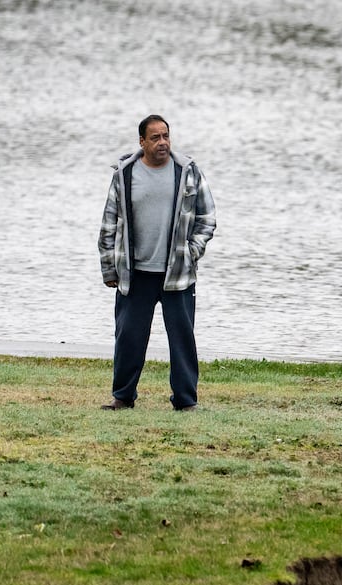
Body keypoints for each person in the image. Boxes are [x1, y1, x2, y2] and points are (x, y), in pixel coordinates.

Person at [97, 114, 216, 411]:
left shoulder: (187, 171)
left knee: (183, 340)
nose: (162, 142)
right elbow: (109, 224)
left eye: (166, 136)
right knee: (128, 338)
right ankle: (122, 397)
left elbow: (207, 218)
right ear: (142, 142)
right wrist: (109, 268)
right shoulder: (124, 174)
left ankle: (186, 401)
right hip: (135, 273)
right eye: (155, 138)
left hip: (177, 273)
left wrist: (192, 252)